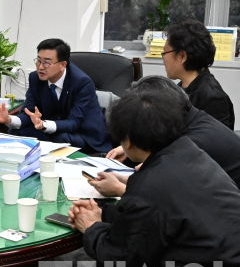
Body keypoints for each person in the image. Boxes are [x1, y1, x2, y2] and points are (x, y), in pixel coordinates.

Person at [69, 90, 240, 267]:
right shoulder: (189, 151)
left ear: (128, 141)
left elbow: (120, 257)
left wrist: (91, 228)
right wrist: (104, 214)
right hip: (227, 264)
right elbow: (159, 215)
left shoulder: (148, 186)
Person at [94, 76, 240, 197]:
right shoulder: (193, 119)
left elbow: (168, 196)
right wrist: (132, 146)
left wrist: (120, 189)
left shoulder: (193, 143)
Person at [0, 38, 111, 152]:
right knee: (16, 130)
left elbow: (74, 122)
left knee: (62, 139)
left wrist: (43, 124)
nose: (40, 67)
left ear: (63, 65)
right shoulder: (35, 78)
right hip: (52, 130)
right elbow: (29, 112)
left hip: (84, 134)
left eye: (47, 63)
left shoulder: (82, 82)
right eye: (38, 61)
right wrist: (8, 119)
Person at [162, 19, 234, 129]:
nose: (163, 59)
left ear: (182, 56)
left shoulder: (213, 98)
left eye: (165, 53)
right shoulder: (180, 88)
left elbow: (216, 138)